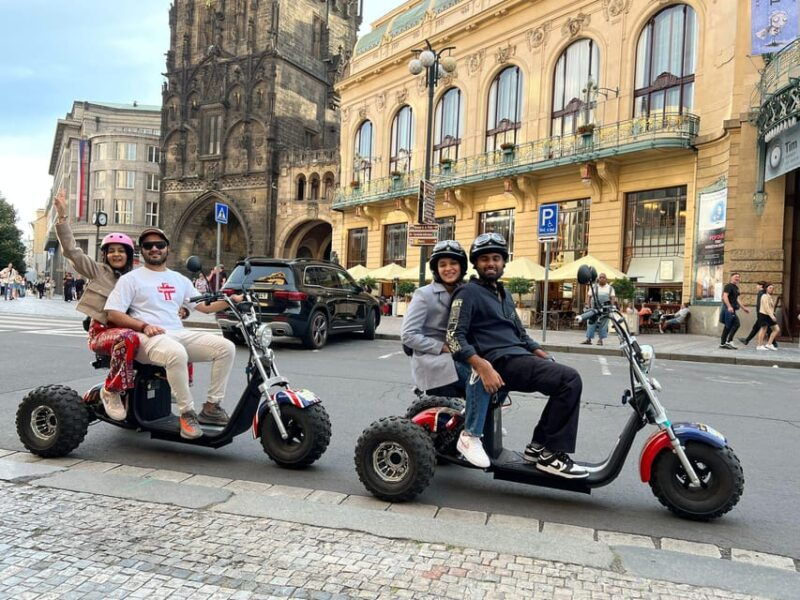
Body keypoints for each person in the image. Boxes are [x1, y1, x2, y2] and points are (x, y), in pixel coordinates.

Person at [447, 233, 587, 479]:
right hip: (501, 361)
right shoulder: (467, 293)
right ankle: (550, 453)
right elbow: (453, 337)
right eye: (484, 259)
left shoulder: (505, 294)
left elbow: (520, 334)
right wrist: (483, 366)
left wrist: (541, 353)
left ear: (503, 262)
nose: (491, 263)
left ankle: (537, 448)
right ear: (476, 264)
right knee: (569, 380)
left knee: (562, 377)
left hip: (519, 355)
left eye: (496, 258)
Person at [105, 227, 242, 439]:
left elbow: (204, 306)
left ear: (168, 248)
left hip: (175, 333)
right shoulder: (131, 279)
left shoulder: (180, 279)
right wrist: (143, 326)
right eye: (148, 246)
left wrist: (230, 301)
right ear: (142, 250)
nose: (154, 249)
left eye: (159, 245)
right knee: (176, 353)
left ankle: (211, 408)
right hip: (146, 338)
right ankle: (186, 413)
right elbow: (113, 313)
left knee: (225, 347)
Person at [400, 240, 492, 468]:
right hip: (434, 360)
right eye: (443, 264)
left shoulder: (467, 291)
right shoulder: (424, 294)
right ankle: (471, 436)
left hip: (457, 355)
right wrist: (443, 346)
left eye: (453, 263)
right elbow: (408, 335)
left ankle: (479, 419)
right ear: (436, 268)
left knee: (496, 370)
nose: (448, 268)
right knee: (479, 374)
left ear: (461, 267)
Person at [53, 188, 140, 421]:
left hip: (130, 329)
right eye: (111, 251)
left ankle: (165, 391)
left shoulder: (136, 278)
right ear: (105, 255)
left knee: (175, 337)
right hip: (102, 333)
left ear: (129, 255)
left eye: (121, 251)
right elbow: (72, 251)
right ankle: (111, 390)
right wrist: (62, 217)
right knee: (127, 337)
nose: (116, 255)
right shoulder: (98, 272)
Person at [582, 272, 616, 346]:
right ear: (598, 279)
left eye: (603, 277)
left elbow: (612, 298)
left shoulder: (610, 288)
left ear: (606, 279)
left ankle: (600, 340)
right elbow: (589, 296)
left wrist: (611, 306)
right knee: (591, 322)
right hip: (594, 308)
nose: (602, 279)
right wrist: (587, 305)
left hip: (605, 309)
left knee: (603, 324)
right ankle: (588, 339)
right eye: (600, 277)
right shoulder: (594, 287)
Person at [719, 272, 750, 349]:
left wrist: (743, 308)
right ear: (731, 277)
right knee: (736, 324)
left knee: (728, 325)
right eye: (735, 276)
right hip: (728, 309)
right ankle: (729, 341)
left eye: (738, 277)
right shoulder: (728, 286)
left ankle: (723, 343)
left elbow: (737, 299)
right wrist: (729, 307)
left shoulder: (736, 287)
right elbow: (724, 296)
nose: (737, 278)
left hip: (732, 309)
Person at [738, 282, 769, 347]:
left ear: (761, 286)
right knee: (757, 328)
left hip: (762, 314)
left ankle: (773, 343)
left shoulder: (761, 293)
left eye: (757, 285)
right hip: (762, 314)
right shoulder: (763, 293)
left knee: (767, 329)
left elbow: (760, 305)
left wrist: (759, 315)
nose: (756, 286)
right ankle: (747, 340)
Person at [756, 283, 780, 351]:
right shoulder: (764, 296)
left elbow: (770, 307)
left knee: (776, 329)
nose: (771, 289)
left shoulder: (769, 296)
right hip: (764, 314)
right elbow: (766, 307)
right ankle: (759, 345)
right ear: (766, 288)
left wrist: (773, 314)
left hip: (769, 315)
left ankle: (769, 344)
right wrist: (772, 316)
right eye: (770, 288)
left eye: (772, 288)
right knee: (763, 329)